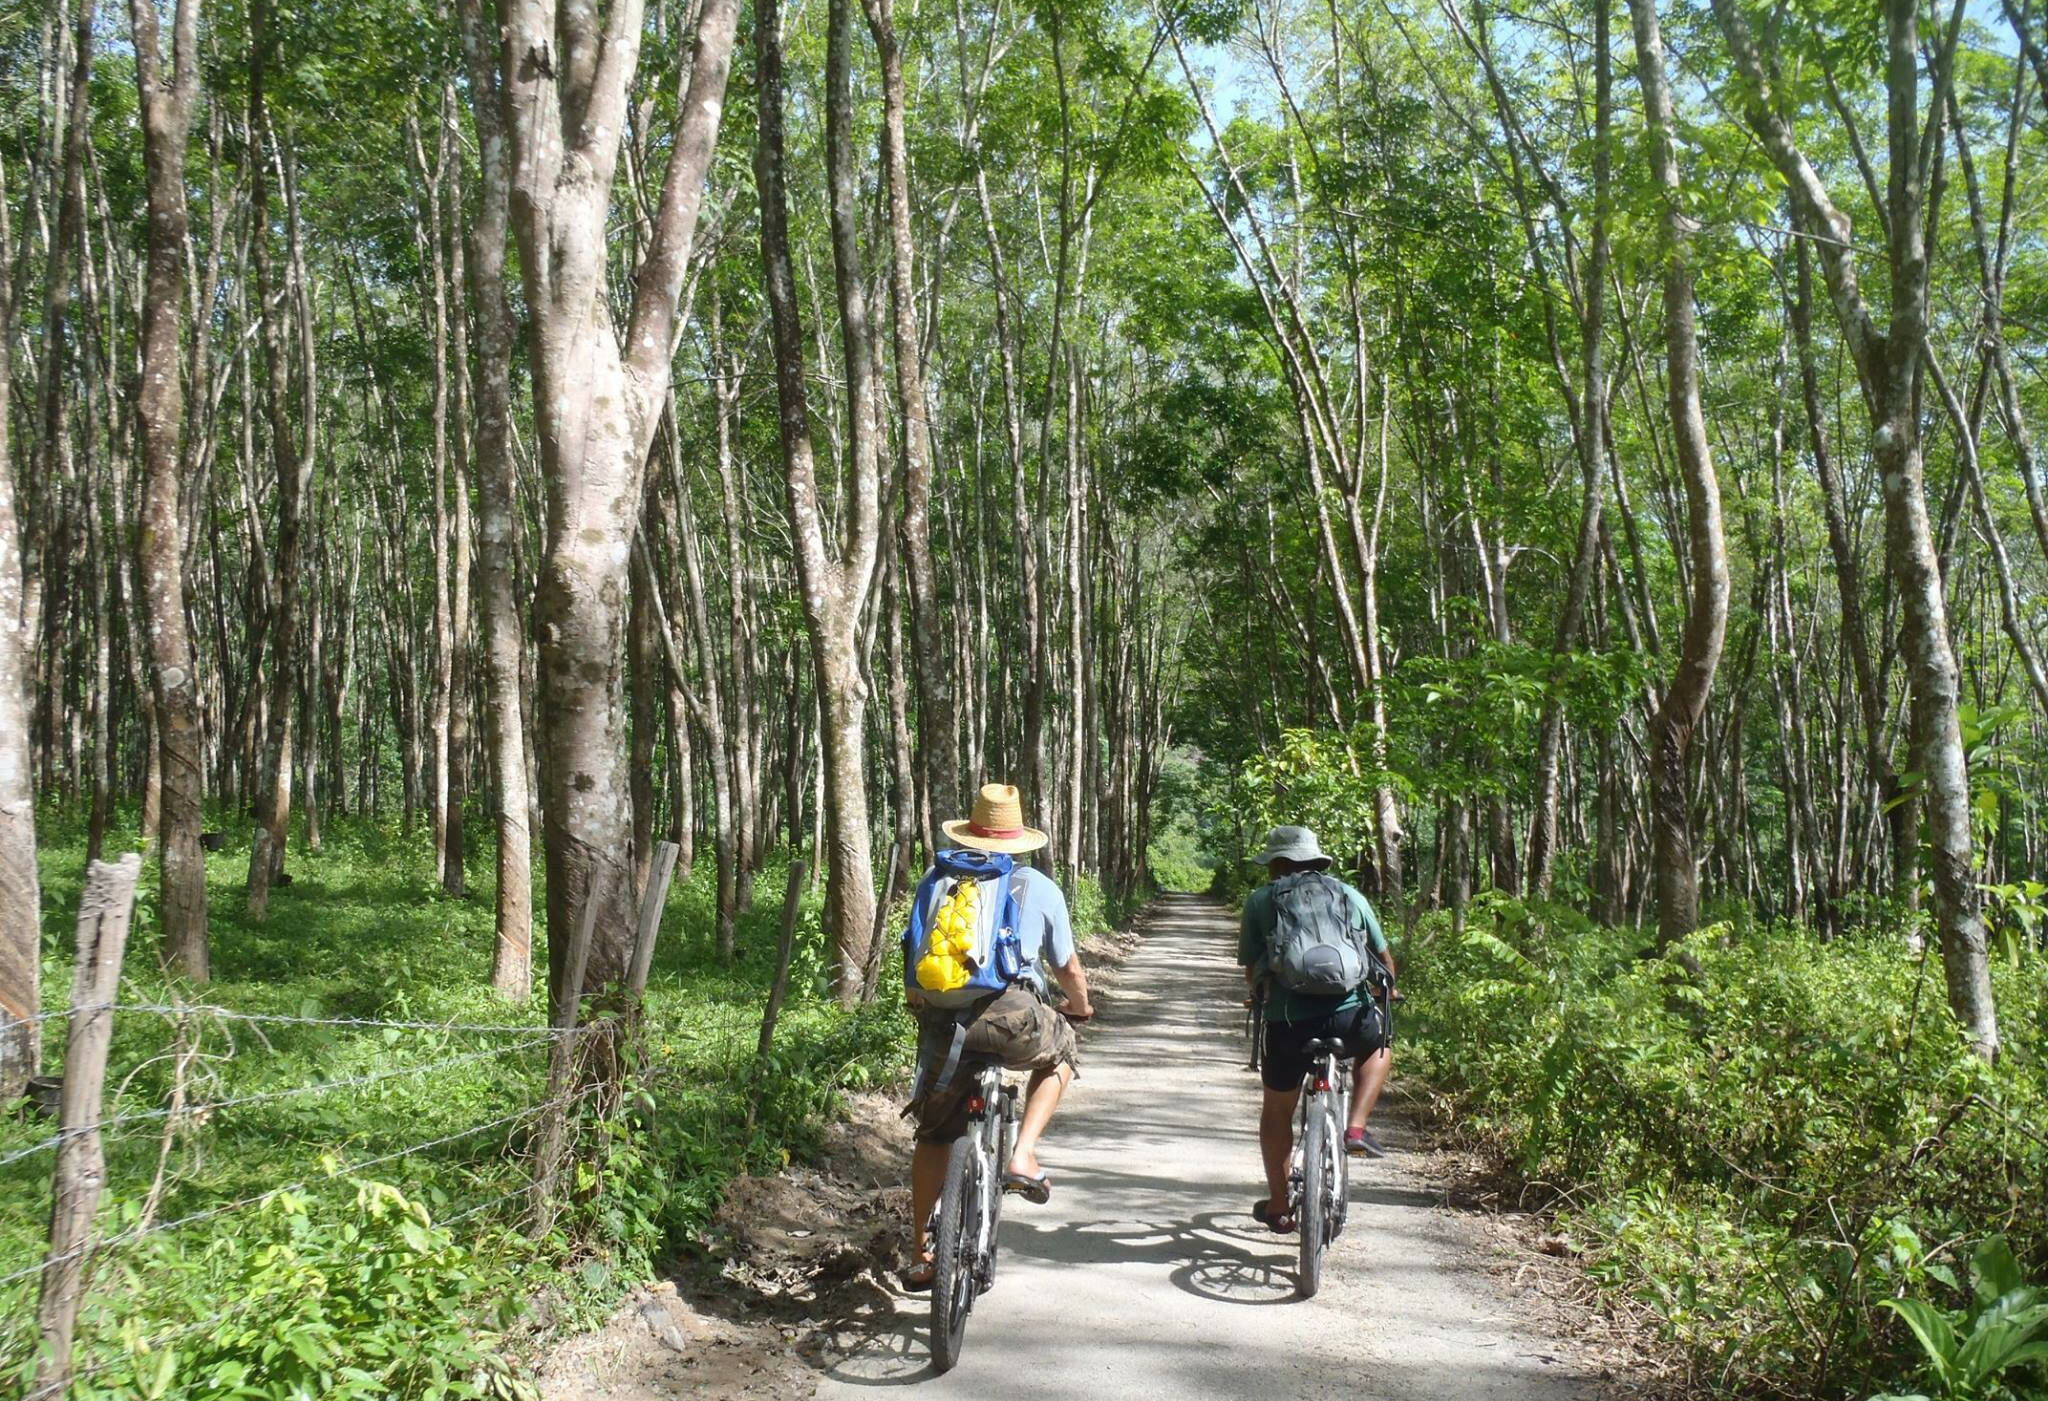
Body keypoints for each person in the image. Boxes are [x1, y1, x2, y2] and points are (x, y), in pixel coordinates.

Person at [901, 783, 1094, 1289]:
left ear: (970, 831)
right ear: (1019, 840)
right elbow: (1068, 967)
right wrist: (1079, 1007)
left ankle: (921, 1252)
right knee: (1062, 1053)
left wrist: (920, 1000)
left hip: (947, 1022)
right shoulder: (1039, 887)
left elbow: (913, 954)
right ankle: (1023, 1153)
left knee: (934, 1134)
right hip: (1014, 1017)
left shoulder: (938, 879)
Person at [1239, 824, 1396, 1233]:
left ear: (1275, 864)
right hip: (1350, 1016)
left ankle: (1278, 1206)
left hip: (1288, 1023)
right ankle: (1356, 1127)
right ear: (1316, 860)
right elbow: (1382, 959)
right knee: (1380, 1048)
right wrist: (1386, 994)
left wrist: (1258, 993)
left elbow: (1252, 969)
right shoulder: (1348, 894)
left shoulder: (1260, 901)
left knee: (1276, 1111)